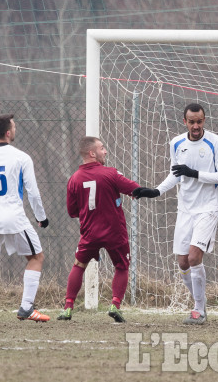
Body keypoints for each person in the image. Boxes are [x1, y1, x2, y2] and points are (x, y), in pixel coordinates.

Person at [134, 103, 218, 324]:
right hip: (185, 209)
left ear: (204, 120)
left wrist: (195, 173)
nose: (196, 126)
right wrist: (156, 191)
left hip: (208, 207)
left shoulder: (215, 142)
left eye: (200, 121)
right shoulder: (176, 143)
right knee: (183, 262)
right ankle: (200, 301)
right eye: (192, 122)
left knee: (195, 256)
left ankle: (198, 309)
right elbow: (176, 174)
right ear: (184, 121)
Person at [0, 114, 50, 326]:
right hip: (14, 218)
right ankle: (26, 307)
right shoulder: (21, 157)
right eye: (14, 127)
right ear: (7, 132)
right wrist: (41, 217)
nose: (15, 130)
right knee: (36, 257)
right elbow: (33, 192)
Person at [58, 136, 141, 323]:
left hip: (89, 233)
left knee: (79, 266)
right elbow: (133, 188)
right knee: (121, 266)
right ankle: (115, 305)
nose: (105, 151)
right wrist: (147, 191)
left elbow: (72, 212)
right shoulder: (110, 173)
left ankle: (68, 308)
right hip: (115, 232)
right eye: (102, 148)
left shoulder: (74, 179)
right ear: (92, 153)